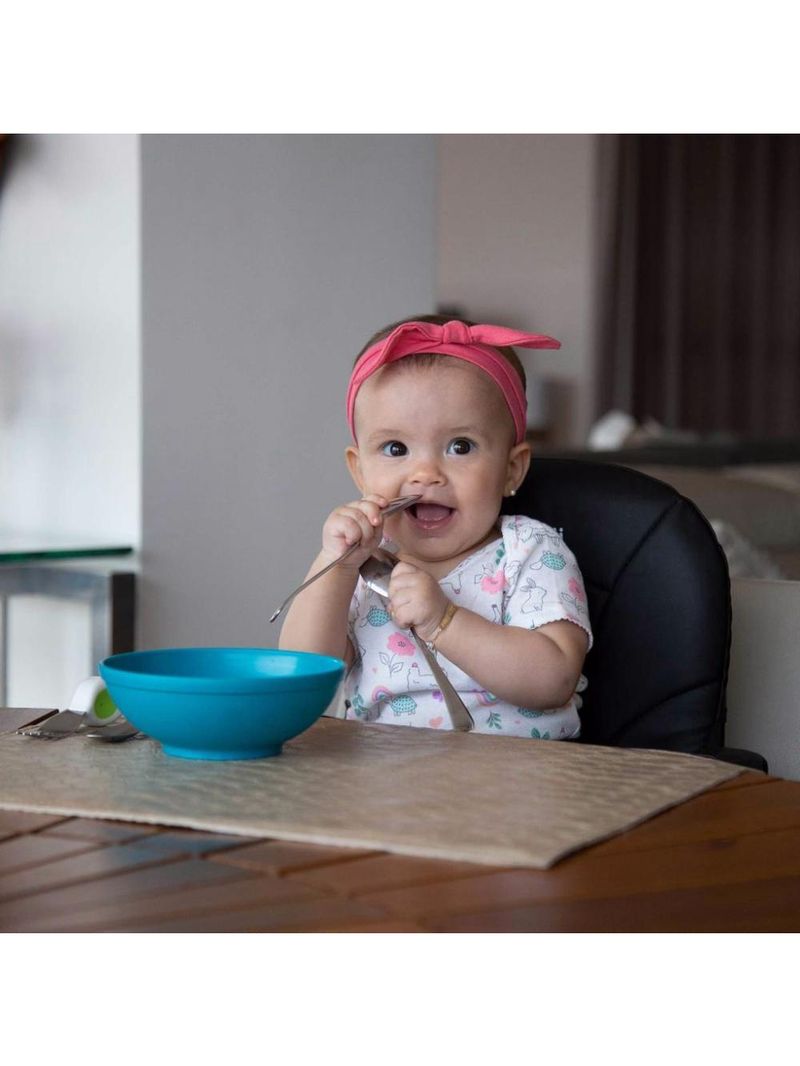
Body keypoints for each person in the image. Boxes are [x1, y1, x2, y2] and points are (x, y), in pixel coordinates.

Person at [279, 314, 592, 739]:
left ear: (511, 470)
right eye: (396, 448)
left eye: (460, 446)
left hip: (514, 786)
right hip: (381, 785)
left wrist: (445, 621)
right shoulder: (364, 563)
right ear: (360, 472)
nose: (425, 473)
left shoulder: (530, 551)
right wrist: (334, 567)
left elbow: (552, 680)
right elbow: (300, 676)